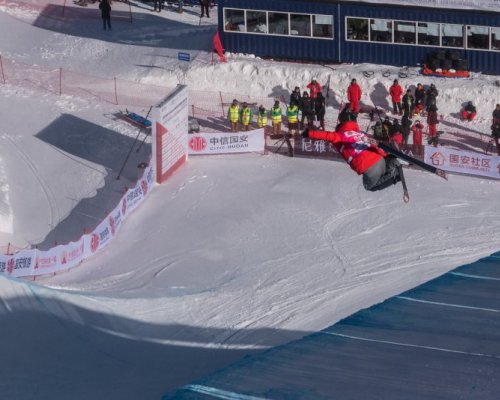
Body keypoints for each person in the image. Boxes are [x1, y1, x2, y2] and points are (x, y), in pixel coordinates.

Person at [302, 116, 402, 192]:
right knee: (382, 171)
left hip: (366, 166)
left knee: (369, 186)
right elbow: (374, 146)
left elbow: (327, 135)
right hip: (379, 159)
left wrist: (309, 133)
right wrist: (386, 156)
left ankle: (395, 177)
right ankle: (392, 163)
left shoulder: (339, 135)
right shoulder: (360, 134)